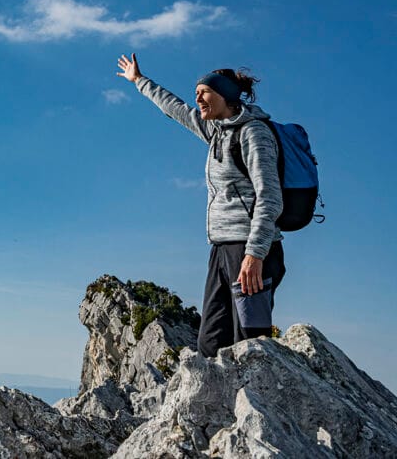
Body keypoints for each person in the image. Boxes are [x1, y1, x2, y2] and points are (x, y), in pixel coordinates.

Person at [115, 52, 286, 358]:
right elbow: (175, 109)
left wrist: (254, 254)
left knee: (249, 343)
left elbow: (270, 197)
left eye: (204, 93)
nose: (198, 99)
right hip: (221, 249)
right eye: (196, 94)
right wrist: (139, 81)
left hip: (250, 251)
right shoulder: (216, 132)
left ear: (225, 95)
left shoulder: (253, 133)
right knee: (210, 344)